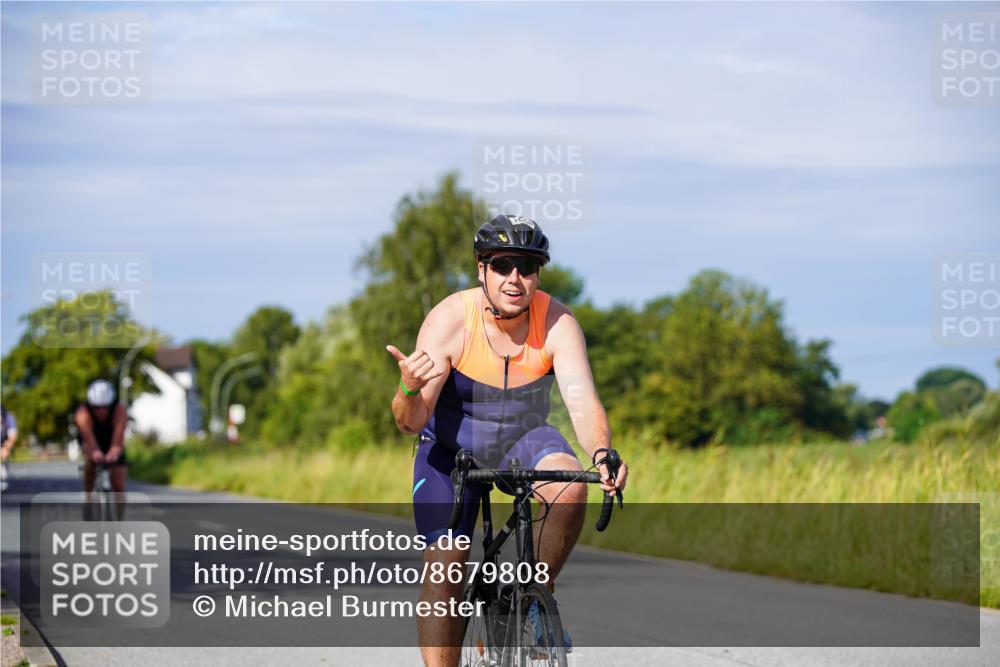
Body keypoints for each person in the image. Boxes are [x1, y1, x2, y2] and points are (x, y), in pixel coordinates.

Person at [387, 214, 628, 667]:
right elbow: (410, 420)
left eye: (528, 266)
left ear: (539, 273)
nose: (515, 278)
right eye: (502, 264)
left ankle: (534, 598)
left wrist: (601, 454)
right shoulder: (450, 320)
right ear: (481, 268)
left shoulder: (558, 322)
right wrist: (407, 390)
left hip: (524, 438)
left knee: (570, 487)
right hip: (449, 451)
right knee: (446, 569)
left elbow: (582, 402)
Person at [75, 380, 128, 518]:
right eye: (97, 407)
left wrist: (114, 452)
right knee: (90, 465)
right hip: (91, 439)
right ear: (91, 405)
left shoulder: (120, 411)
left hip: (111, 438)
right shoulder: (82, 413)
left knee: (118, 484)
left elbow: (118, 437)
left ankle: (120, 521)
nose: (102, 411)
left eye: (106, 407)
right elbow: (89, 439)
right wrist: (95, 453)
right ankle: (87, 499)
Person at [1, 405, 17, 493]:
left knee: (4, 453)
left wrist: (6, 447)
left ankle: (4, 478)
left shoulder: (9, 418)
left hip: (5, 439)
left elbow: (13, 437)